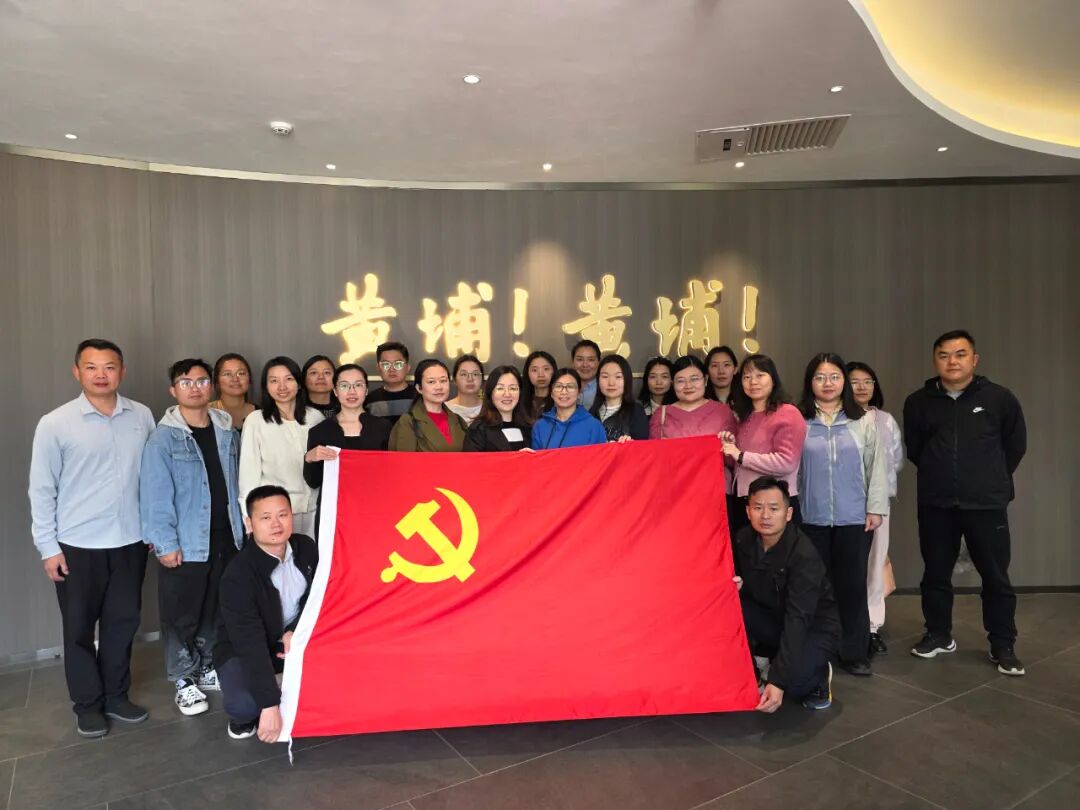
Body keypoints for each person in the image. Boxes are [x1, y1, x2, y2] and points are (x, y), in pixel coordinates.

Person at [28, 339, 156, 738]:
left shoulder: (142, 416)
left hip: (130, 541)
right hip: (77, 545)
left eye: (109, 367)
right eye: (91, 367)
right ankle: (87, 704)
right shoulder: (55, 423)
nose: (101, 375)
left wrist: (155, 528)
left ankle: (116, 696)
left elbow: (153, 477)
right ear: (77, 372)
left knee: (122, 624)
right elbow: (41, 489)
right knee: (79, 629)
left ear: (122, 371)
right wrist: (48, 547)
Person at [903, 330, 1027, 675]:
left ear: (975, 359)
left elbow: (1015, 446)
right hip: (936, 502)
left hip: (986, 504)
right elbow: (916, 450)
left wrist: (988, 476)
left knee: (996, 577)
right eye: (944, 355)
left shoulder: (999, 398)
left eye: (960, 354)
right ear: (935, 360)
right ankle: (938, 634)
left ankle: (1003, 644)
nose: (952, 361)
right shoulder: (918, 402)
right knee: (935, 573)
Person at [140, 359, 245, 717]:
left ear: (211, 386)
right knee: (181, 613)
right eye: (186, 382)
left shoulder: (226, 429)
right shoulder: (163, 438)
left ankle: (206, 665)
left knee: (214, 607)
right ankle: (184, 679)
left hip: (226, 536)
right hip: (186, 541)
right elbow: (154, 495)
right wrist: (165, 543)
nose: (195, 388)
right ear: (174, 390)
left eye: (201, 381)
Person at [795, 353, 889, 677]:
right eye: (820, 377)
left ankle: (855, 652)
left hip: (854, 517)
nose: (828, 383)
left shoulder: (862, 419)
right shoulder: (799, 420)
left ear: (843, 382)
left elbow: (877, 467)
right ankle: (818, 649)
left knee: (852, 586)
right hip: (811, 517)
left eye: (834, 377)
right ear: (810, 382)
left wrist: (875, 508)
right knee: (815, 586)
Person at [215, 485, 318, 742]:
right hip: (245, 647)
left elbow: (317, 596)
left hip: (294, 639)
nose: (276, 524)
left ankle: (282, 681)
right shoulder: (238, 575)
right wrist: (270, 705)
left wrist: (294, 630)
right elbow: (248, 641)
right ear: (249, 523)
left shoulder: (306, 548)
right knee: (245, 706)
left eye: (282, 515)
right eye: (265, 517)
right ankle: (270, 686)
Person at [734, 477, 841, 712]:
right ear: (748, 511)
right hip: (775, 617)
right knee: (730, 603)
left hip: (813, 626)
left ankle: (820, 675)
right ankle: (762, 662)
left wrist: (779, 681)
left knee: (793, 684)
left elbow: (798, 618)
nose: (765, 516)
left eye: (774, 509)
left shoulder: (804, 554)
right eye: (758, 507)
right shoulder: (743, 539)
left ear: (789, 513)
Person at [848, 360, 904, 657]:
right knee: (845, 566)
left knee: (875, 563)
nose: (861, 387)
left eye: (867, 381)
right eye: (854, 381)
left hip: (877, 505)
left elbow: (896, 460)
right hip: (843, 504)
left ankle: (871, 627)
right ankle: (844, 625)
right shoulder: (836, 418)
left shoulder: (885, 420)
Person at [721, 354, 807, 537]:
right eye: (747, 377)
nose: (753, 382)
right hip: (745, 502)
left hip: (775, 504)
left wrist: (741, 455)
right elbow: (738, 465)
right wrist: (729, 448)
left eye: (760, 375)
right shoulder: (745, 416)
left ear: (773, 379)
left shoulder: (788, 413)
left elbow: (786, 462)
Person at [239, 357, 324, 538]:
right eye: (274, 381)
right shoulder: (256, 421)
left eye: (288, 379)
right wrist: (249, 517)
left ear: (299, 383)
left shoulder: (315, 418)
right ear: (266, 386)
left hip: (315, 509)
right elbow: (248, 474)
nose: (282, 387)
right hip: (276, 515)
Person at [304, 364, 392, 529]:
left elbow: (392, 473)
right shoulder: (320, 431)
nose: (352, 391)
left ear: (366, 390)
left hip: (375, 509)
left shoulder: (383, 427)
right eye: (344, 386)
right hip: (334, 513)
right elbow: (313, 482)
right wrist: (309, 458)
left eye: (358, 385)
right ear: (335, 391)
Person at [389, 359, 468, 451]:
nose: (439, 387)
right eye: (431, 382)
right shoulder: (408, 421)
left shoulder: (458, 420)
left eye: (443, 381)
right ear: (419, 388)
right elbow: (404, 459)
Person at [531, 368, 607, 449]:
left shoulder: (594, 426)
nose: (564, 392)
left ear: (579, 393)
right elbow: (536, 456)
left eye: (570, 387)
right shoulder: (540, 426)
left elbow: (602, 456)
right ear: (551, 393)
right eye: (558, 386)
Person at [463, 366, 533, 451]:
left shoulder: (529, 427)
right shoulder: (478, 430)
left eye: (513, 388)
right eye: (500, 388)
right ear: (490, 393)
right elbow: (470, 459)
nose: (507, 394)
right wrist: (515, 458)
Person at [590, 354, 650, 442]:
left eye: (618, 377)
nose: (611, 383)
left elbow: (642, 447)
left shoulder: (636, 411)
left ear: (627, 379)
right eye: (605, 376)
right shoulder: (590, 414)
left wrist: (630, 444)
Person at [365, 341, 414, 426]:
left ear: (407, 368)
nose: (391, 369)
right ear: (378, 368)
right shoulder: (369, 400)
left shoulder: (420, 397)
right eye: (385, 364)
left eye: (398, 364)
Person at [210, 353, 257, 430]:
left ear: (249, 379)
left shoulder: (261, 414)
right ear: (217, 380)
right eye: (227, 374)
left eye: (241, 373)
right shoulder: (206, 413)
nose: (235, 379)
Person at [446, 354, 485, 425]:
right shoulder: (445, 410)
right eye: (464, 374)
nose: (470, 379)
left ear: (482, 379)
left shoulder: (491, 410)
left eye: (475, 374)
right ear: (454, 380)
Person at [521, 349, 556, 420]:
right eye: (534, 370)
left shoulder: (560, 400)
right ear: (527, 373)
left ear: (553, 371)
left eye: (546, 369)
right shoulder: (519, 401)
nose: (541, 375)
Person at [301, 354, 338, 420]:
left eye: (326, 372)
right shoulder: (294, 409)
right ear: (304, 379)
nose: (321, 377)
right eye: (314, 373)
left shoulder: (345, 408)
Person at [571, 339, 601, 410]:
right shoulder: (563, 387)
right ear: (572, 362)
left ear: (599, 362)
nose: (585, 365)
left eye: (591, 360)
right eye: (580, 359)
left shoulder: (605, 388)